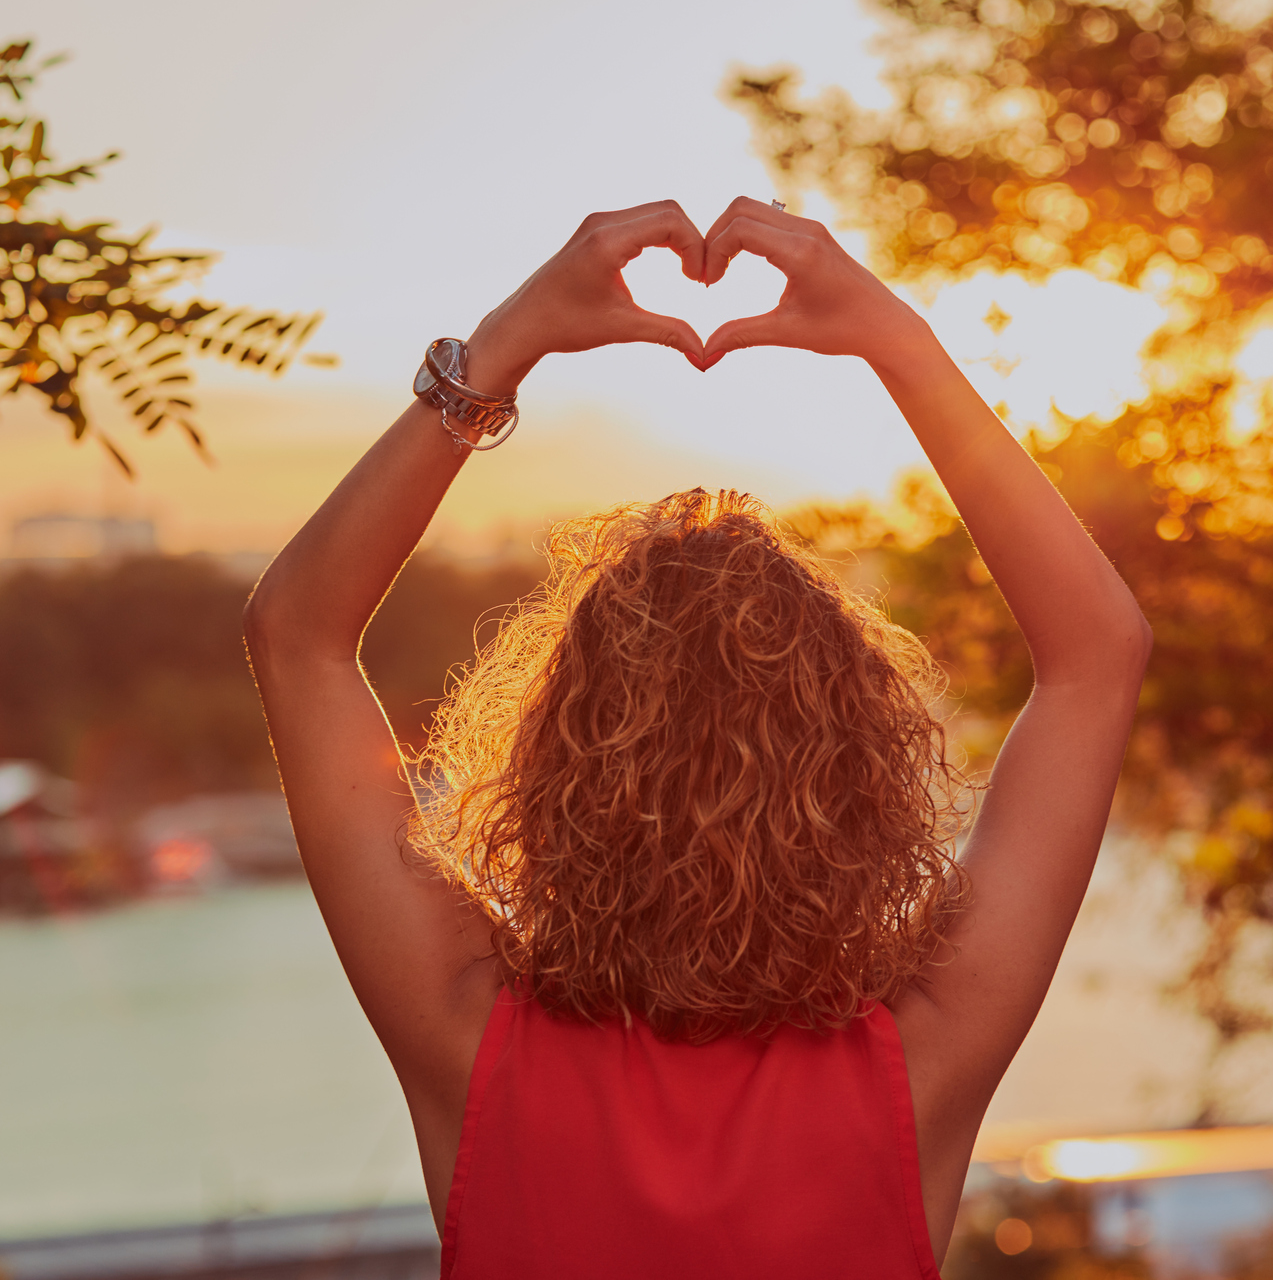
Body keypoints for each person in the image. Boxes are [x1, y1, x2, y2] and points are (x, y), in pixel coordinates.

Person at [243, 198, 1152, 1278]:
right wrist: (895, 342)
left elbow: (296, 636)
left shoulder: (470, 1040)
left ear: (553, 768)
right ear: (862, 777)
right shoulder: (921, 1061)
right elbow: (1099, 653)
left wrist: (510, 340)